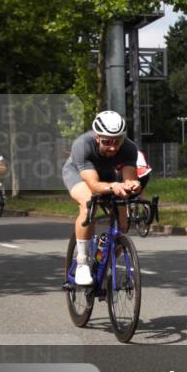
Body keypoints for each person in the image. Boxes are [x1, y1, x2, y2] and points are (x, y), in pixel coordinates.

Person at [62, 111, 140, 286]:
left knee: (123, 217)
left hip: (105, 173)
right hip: (78, 174)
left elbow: (128, 177)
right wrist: (113, 186)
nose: (113, 147)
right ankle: (82, 262)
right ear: (97, 137)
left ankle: (103, 259)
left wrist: (132, 184)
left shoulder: (129, 147)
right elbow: (93, 184)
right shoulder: (82, 145)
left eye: (117, 142)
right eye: (107, 142)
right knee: (89, 203)